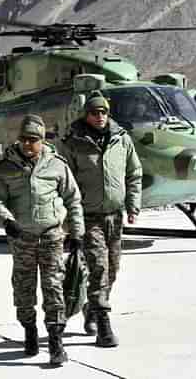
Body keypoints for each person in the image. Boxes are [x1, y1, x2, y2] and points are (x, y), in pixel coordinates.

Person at [0, 114, 85, 366]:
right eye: (24, 139)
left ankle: (55, 341)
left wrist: (77, 232)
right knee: (23, 288)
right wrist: (7, 222)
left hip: (51, 236)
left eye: (33, 140)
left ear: (42, 140)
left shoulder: (56, 165)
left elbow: (73, 200)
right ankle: (29, 330)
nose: (28, 144)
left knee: (53, 288)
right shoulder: (5, 167)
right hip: (22, 238)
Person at [58, 91, 142, 347]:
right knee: (99, 267)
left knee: (112, 269)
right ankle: (104, 325)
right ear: (87, 115)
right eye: (95, 112)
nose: (100, 117)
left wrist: (132, 205)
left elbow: (134, 172)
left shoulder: (122, 139)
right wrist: (69, 221)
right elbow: (64, 182)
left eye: (104, 112)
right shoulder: (73, 142)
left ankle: (91, 308)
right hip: (87, 216)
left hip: (114, 216)